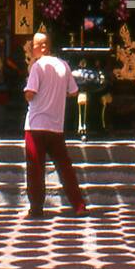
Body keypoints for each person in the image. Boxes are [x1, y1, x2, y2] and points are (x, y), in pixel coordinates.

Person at [23, 32, 87, 218]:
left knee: (35, 168)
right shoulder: (64, 65)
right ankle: (78, 205)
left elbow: (31, 94)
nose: (31, 49)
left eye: (33, 45)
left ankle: (36, 208)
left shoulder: (37, 66)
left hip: (35, 125)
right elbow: (74, 92)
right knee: (65, 167)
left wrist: (27, 90)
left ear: (43, 46)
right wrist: (57, 96)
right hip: (56, 126)